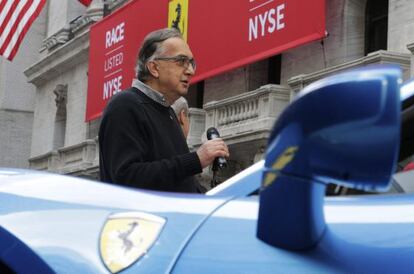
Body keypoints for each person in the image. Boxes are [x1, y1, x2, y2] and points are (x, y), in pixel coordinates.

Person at [99, 28, 229, 193]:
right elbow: (127, 177)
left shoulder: (167, 112)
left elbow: (180, 183)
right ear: (154, 68)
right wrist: (196, 159)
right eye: (181, 61)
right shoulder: (125, 106)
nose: (191, 70)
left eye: (191, 63)